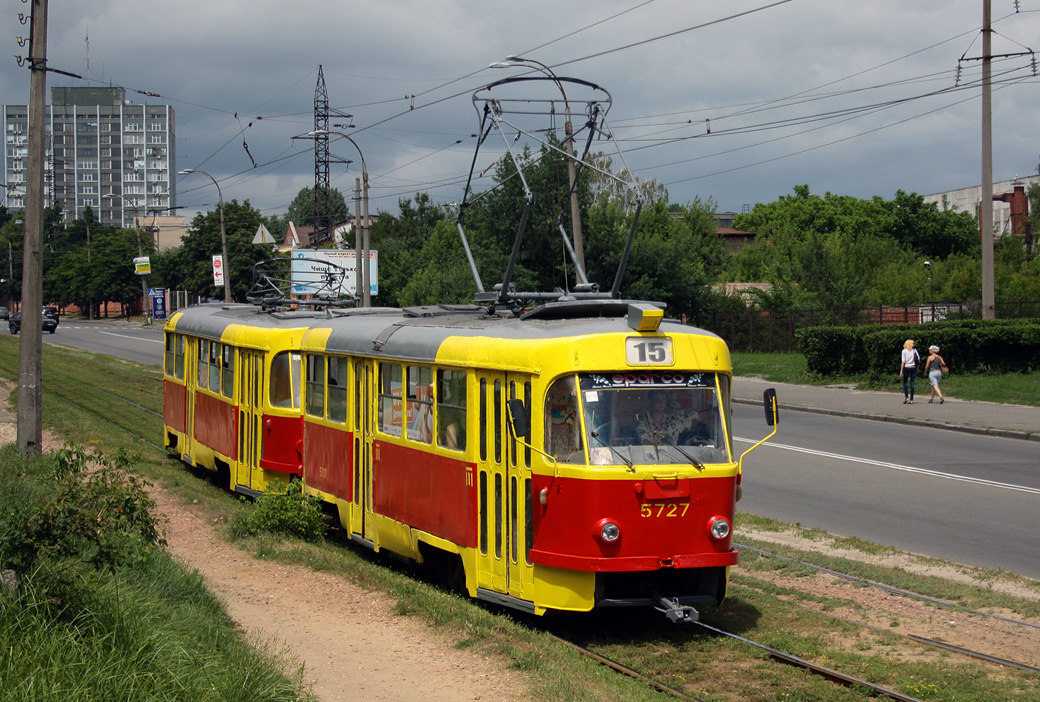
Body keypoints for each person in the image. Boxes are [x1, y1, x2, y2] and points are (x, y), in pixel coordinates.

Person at [899, 339, 920, 404]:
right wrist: (917, 369)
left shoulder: (904, 351)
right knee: (912, 382)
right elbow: (918, 360)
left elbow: (903, 361)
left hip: (907, 367)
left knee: (905, 382)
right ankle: (911, 399)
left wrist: (901, 371)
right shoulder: (914, 351)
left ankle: (906, 397)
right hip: (913, 367)